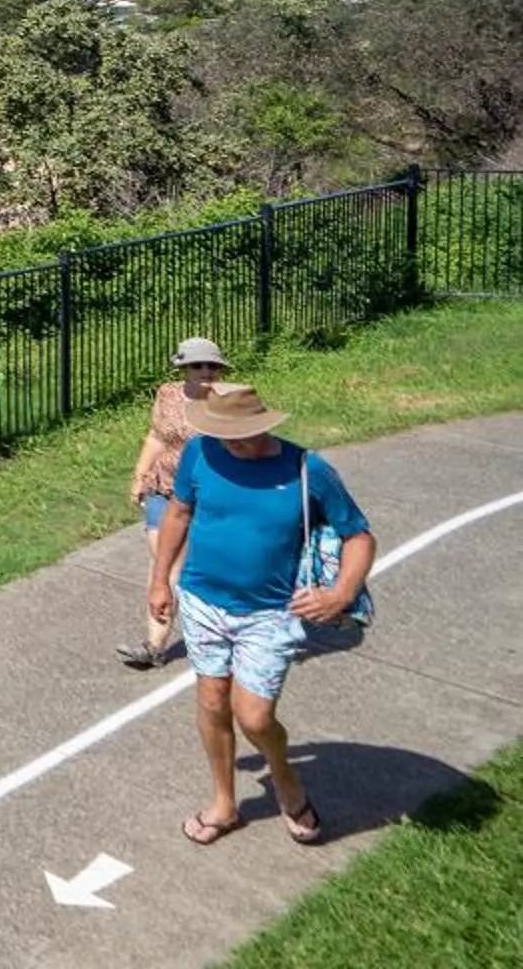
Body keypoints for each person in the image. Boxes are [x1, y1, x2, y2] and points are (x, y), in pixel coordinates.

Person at [147, 383, 375, 848]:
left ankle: (285, 779)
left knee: (253, 716)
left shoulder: (305, 469)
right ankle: (224, 804)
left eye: (243, 435)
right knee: (211, 702)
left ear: (263, 425)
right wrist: (159, 581)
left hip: (270, 613)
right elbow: (178, 514)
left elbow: (359, 536)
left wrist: (340, 594)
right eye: (225, 435)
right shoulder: (200, 454)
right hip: (202, 602)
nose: (233, 444)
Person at [118, 337, 229, 667]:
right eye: (197, 365)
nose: (205, 371)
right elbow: (156, 437)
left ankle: (206, 629)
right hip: (163, 488)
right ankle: (154, 645)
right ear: (184, 368)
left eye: (212, 365)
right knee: (162, 563)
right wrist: (140, 474)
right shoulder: (167, 394)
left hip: (204, 493)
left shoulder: (229, 402)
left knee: (176, 567)